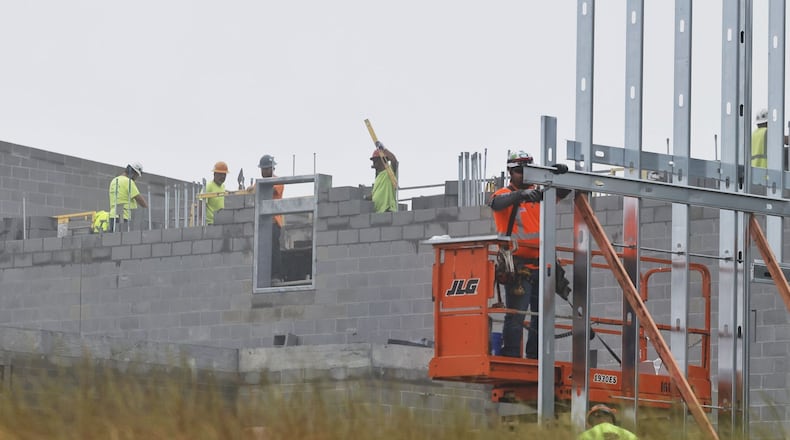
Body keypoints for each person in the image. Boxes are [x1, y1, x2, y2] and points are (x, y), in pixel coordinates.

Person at [489, 151, 569, 359]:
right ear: (509, 172)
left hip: (543, 266)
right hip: (518, 267)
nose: (522, 175)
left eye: (526, 170)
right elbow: (496, 203)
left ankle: (536, 358)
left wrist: (560, 174)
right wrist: (520, 195)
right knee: (516, 316)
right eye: (518, 171)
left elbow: (563, 191)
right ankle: (512, 355)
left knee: (541, 317)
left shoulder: (540, 194)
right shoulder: (503, 195)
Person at [249, 155, 284, 282]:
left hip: (274, 221)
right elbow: (252, 191)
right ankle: (264, 277)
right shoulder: (259, 183)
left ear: (272, 168)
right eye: (263, 169)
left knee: (273, 249)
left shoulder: (277, 181)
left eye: (267, 169)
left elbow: (271, 190)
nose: (264, 172)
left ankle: (276, 276)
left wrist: (254, 188)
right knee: (262, 250)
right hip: (263, 223)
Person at [108, 162, 147, 232]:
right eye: (136, 175)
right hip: (124, 218)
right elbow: (140, 200)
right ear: (132, 172)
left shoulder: (114, 181)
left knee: (115, 240)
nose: (136, 178)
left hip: (112, 216)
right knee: (126, 240)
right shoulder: (128, 182)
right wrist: (148, 210)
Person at [370, 147, 398, 213]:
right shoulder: (378, 177)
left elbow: (394, 161)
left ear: (381, 160)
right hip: (378, 212)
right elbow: (374, 195)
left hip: (387, 210)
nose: (373, 163)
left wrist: (384, 149)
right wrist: (364, 198)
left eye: (375, 161)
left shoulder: (389, 173)